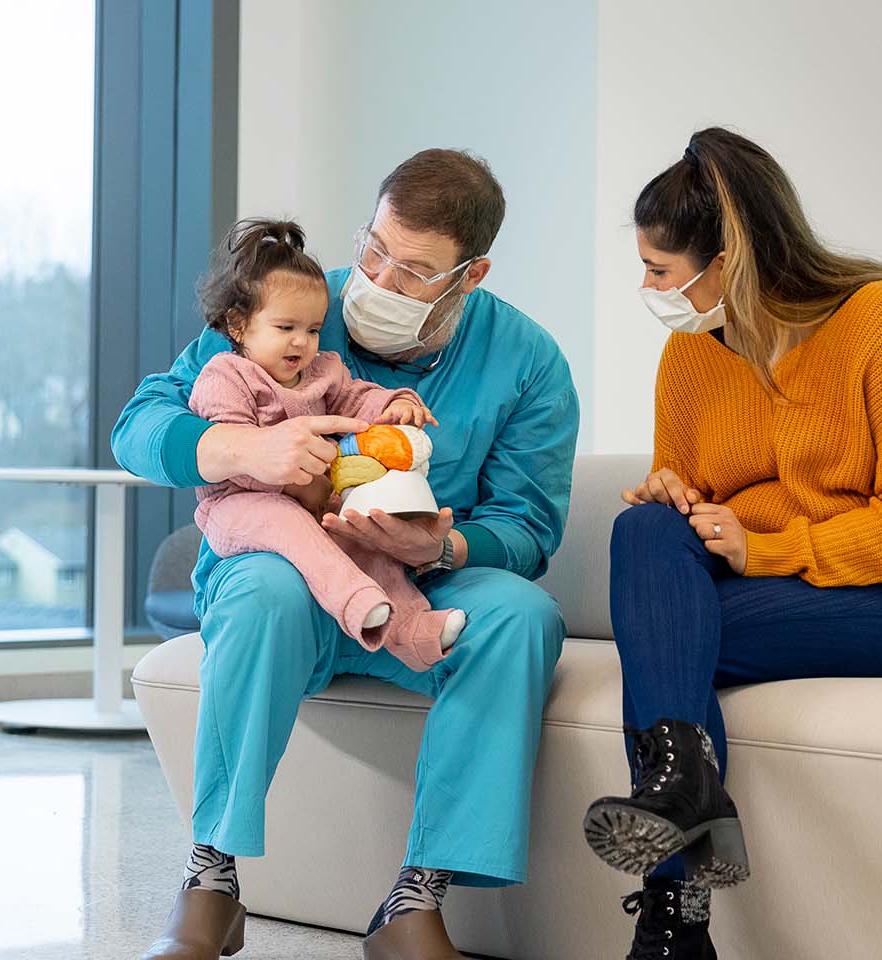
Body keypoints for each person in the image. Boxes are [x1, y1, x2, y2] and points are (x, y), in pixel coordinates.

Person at [117, 149, 579, 960]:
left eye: (413, 272)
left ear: (471, 276)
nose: (379, 281)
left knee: (521, 617)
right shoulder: (292, 299)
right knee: (262, 591)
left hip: (415, 583)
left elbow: (529, 526)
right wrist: (236, 449)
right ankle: (210, 880)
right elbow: (141, 426)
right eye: (374, 249)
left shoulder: (530, 363)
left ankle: (414, 901)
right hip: (286, 573)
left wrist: (448, 544)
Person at [581, 127, 882, 960]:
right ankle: (685, 800)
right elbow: (687, 505)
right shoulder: (691, 355)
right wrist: (676, 495)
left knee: (667, 639)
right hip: (784, 597)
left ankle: (673, 923)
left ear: (728, 262)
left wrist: (763, 549)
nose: (647, 287)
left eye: (660, 269)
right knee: (644, 526)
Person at [187, 216, 465, 672]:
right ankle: (357, 605)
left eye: (313, 329)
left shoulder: (324, 372)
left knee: (363, 539)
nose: (302, 341)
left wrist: (394, 404)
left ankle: (413, 632)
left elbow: (358, 397)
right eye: (285, 328)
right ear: (239, 326)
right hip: (241, 505)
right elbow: (234, 456)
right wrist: (292, 482)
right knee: (291, 527)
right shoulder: (225, 376)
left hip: (315, 501)